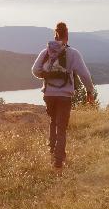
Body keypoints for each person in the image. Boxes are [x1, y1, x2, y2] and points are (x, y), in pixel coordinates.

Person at [31, 22, 96, 170]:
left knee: (53, 121)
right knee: (61, 127)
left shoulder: (46, 52)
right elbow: (84, 75)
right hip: (65, 96)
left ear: (55, 36)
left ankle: (52, 151)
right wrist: (90, 91)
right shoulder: (73, 53)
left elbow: (35, 70)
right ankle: (58, 161)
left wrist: (46, 75)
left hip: (48, 94)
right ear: (67, 36)